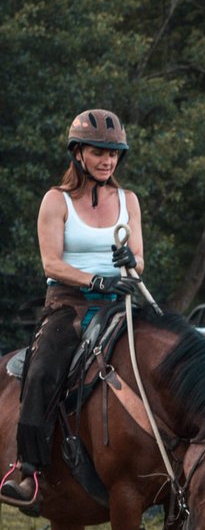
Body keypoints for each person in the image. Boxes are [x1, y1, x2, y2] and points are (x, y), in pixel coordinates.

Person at [2, 110, 144, 507]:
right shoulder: (56, 200)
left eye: (114, 154)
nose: (108, 160)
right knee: (44, 368)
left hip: (120, 301)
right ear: (78, 153)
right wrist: (94, 280)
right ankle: (27, 469)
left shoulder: (128, 201)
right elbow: (51, 264)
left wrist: (127, 263)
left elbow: (140, 259)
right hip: (69, 305)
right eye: (99, 152)